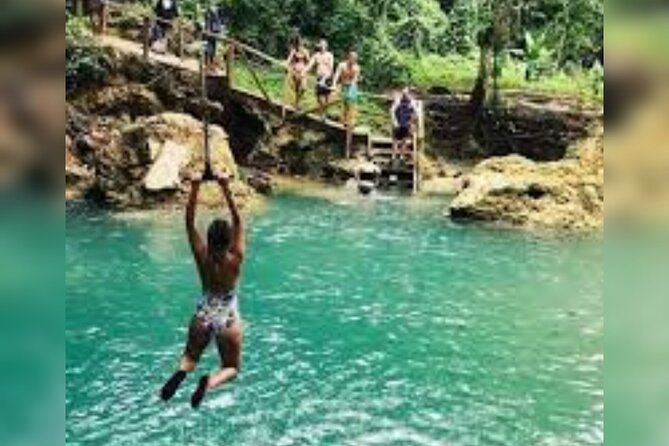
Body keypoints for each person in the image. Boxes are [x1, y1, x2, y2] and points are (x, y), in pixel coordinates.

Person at [160, 174, 245, 409]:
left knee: (190, 356)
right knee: (232, 367)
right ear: (229, 241)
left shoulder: (202, 256)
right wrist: (226, 188)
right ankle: (208, 383)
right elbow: (238, 221)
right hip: (227, 318)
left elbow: (189, 222)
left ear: (208, 239)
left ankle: (180, 374)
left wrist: (195, 187)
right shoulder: (235, 258)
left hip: (203, 314)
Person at [333, 49, 361, 158]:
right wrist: (334, 84)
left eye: (355, 59)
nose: (353, 60)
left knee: (351, 102)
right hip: (343, 86)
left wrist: (351, 87)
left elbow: (355, 80)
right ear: (348, 57)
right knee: (344, 104)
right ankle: (344, 119)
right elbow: (336, 75)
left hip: (352, 87)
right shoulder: (342, 65)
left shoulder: (357, 68)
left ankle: (351, 121)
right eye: (352, 58)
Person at [306, 39, 335, 119]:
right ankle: (322, 112)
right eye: (321, 45)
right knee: (319, 97)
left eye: (323, 45)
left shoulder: (330, 55)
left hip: (327, 77)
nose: (322, 46)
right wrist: (304, 71)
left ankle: (324, 114)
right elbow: (310, 65)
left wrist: (325, 78)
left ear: (326, 46)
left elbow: (331, 68)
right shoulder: (316, 55)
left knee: (327, 97)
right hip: (319, 77)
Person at [283, 36, 310, 116]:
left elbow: (309, 62)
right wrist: (286, 65)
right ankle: (296, 104)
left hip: (302, 72)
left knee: (303, 88)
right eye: (297, 44)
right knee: (296, 89)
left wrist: (305, 70)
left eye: (300, 44)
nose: (299, 46)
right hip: (294, 72)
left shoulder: (306, 51)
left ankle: (297, 102)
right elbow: (289, 60)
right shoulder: (294, 51)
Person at [391, 88, 418, 163]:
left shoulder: (412, 103)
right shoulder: (398, 101)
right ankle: (394, 155)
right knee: (396, 140)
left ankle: (401, 156)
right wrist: (395, 122)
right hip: (398, 123)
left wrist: (411, 123)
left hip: (406, 124)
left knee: (404, 140)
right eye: (404, 93)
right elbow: (393, 111)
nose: (406, 95)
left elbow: (415, 114)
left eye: (407, 93)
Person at [203, 4, 225, 72]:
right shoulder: (209, 12)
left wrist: (221, 31)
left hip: (215, 33)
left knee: (213, 49)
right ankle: (208, 65)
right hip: (210, 33)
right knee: (209, 49)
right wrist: (208, 31)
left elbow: (220, 22)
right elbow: (208, 22)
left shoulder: (218, 11)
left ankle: (211, 66)